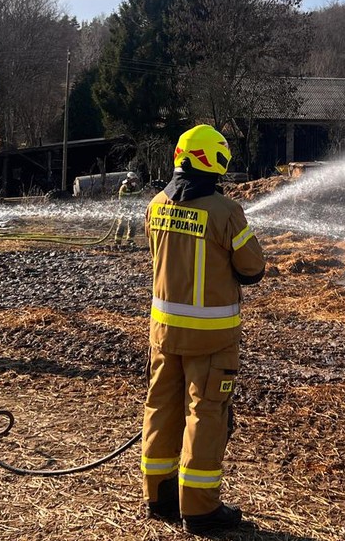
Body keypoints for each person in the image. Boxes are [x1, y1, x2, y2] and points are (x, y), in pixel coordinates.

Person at [141, 125, 265, 534]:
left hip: (163, 335)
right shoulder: (225, 212)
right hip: (211, 341)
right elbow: (252, 269)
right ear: (216, 161)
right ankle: (198, 507)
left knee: (160, 407)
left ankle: (158, 496)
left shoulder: (156, 205)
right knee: (206, 415)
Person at [113, 172, 143, 247]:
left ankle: (130, 240)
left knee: (133, 224)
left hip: (133, 209)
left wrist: (138, 204)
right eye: (133, 180)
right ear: (128, 180)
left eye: (135, 180)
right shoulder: (123, 188)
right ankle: (117, 241)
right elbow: (121, 200)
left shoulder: (137, 187)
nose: (134, 182)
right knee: (121, 224)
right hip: (124, 209)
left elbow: (140, 197)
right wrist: (129, 206)